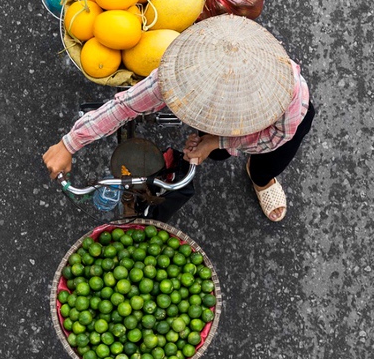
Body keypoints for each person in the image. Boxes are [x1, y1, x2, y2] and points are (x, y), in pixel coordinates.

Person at [43, 15, 315, 222]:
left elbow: (270, 138)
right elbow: (123, 107)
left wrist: (218, 141)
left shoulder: (288, 94)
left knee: (266, 165)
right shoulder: (179, 72)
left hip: (278, 131)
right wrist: (69, 143)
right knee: (217, 153)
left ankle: (261, 179)